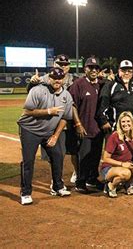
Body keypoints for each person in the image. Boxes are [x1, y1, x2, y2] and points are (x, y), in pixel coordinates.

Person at [18, 67, 74, 205]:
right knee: (28, 160)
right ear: (49, 78)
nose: (57, 80)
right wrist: (48, 111)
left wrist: (55, 136)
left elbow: (65, 118)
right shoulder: (37, 90)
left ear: (64, 79)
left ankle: (58, 187)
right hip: (30, 130)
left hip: (48, 132)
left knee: (58, 155)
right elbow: (27, 112)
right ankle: (25, 193)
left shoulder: (66, 95)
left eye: (60, 78)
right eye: (54, 77)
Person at [67, 57, 104, 193]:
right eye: (90, 68)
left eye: (96, 68)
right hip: (84, 127)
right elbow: (72, 105)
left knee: (95, 156)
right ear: (85, 69)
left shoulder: (101, 84)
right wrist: (77, 124)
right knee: (83, 157)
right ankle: (80, 182)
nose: (93, 70)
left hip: (98, 129)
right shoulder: (79, 84)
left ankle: (92, 179)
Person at [100, 111, 133, 198]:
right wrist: (122, 164)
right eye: (123, 122)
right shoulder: (114, 136)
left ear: (132, 122)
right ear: (119, 123)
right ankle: (111, 185)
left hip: (127, 165)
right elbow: (105, 158)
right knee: (126, 173)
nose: (126, 124)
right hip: (109, 168)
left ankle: (126, 185)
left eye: (128, 121)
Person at [96, 60, 133, 133]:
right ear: (119, 71)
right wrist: (103, 121)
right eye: (123, 70)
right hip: (115, 129)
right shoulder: (111, 85)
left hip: (132, 129)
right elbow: (102, 103)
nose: (126, 73)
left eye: (129, 71)